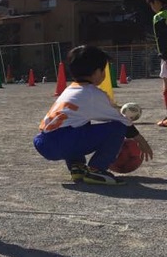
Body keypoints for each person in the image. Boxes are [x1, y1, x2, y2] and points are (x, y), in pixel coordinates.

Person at [34, 45, 152, 185]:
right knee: (117, 127)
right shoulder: (92, 93)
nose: (104, 75)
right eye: (104, 71)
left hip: (44, 142)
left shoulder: (71, 90)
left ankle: (77, 166)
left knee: (81, 125)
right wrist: (141, 141)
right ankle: (97, 169)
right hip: (62, 141)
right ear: (97, 72)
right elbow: (122, 122)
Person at [147, 0, 167, 127]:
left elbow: (162, 38)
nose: (152, 7)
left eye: (152, 4)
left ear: (158, 2)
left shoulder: (159, 16)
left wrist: (164, 55)